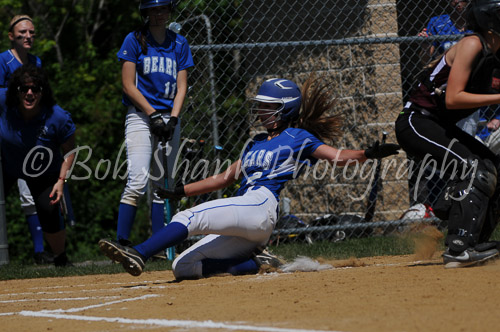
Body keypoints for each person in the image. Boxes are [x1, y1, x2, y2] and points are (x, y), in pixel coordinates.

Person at [99, 76, 400, 278]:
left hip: (261, 205)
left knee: (190, 218)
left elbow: (337, 157)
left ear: (284, 109)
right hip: (247, 212)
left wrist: (367, 153)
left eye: (268, 105)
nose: (260, 109)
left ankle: (138, 253)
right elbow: (224, 179)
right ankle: (255, 262)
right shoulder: (255, 142)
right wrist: (180, 191)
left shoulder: (299, 137)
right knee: (183, 266)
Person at [395, 0, 500, 269]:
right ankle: (458, 248)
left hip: (439, 125)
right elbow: (453, 99)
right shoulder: (472, 44)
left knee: (493, 168)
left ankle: (473, 242)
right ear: (490, 24)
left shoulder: (493, 52)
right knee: (473, 167)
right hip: (417, 121)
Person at [114, 0, 194, 249]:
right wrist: (152, 115)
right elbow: (128, 84)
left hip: (168, 118)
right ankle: (122, 242)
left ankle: (158, 245)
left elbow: (182, 87)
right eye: (154, 9)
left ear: (170, 11)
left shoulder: (179, 43)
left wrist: (173, 118)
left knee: (163, 183)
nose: (159, 14)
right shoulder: (134, 39)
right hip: (140, 115)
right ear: (146, 12)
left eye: (164, 9)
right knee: (137, 180)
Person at [0, 65, 75, 266]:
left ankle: (60, 257)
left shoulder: (57, 117)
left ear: (43, 91)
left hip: (43, 171)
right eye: (24, 89)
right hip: (6, 165)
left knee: (49, 207)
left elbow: (70, 151)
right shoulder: (3, 103)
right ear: (16, 90)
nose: (30, 93)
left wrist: (61, 181)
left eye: (36, 89)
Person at [0, 14, 53, 264]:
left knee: (30, 192)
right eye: (22, 33)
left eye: (31, 32)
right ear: (12, 36)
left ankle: (40, 251)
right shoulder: (3, 60)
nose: (28, 36)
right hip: (7, 134)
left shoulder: (36, 61)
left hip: (30, 135)